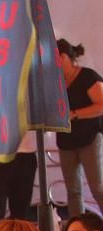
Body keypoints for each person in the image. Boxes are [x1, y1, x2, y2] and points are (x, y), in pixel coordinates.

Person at [55, 39, 103, 217]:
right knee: (73, 191)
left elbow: (101, 105)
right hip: (66, 141)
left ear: (63, 57)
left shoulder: (88, 76)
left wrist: (75, 113)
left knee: (97, 187)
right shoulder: (56, 82)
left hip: (89, 138)